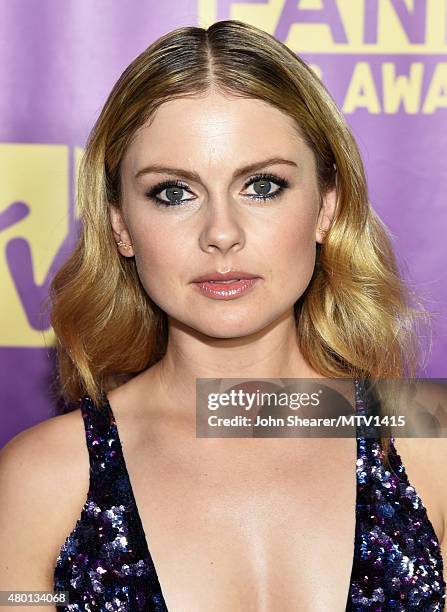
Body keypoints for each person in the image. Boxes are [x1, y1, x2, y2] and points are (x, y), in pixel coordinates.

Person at [0, 19, 445, 612]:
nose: (221, 234)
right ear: (120, 225)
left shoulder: (431, 441)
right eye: (173, 193)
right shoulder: (43, 478)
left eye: (262, 185)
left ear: (327, 207)